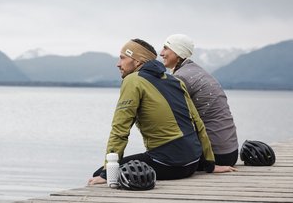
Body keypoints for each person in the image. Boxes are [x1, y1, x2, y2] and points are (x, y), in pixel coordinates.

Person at [88, 39, 235, 186]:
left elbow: (120, 130)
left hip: (168, 164)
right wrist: (210, 164)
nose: (118, 64)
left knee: (100, 174)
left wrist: (107, 173)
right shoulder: (174, 80)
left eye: (122, 58)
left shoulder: (133, 80)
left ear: (138, 61)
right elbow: (198, 124)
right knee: (112, 170)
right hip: (193, 163)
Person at [160, 34, 239, 166]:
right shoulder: (196, 71)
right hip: (230, 152)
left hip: (214, 156)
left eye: (166, 48)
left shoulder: (181, 77)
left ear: (178, 52)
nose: (161, 53)